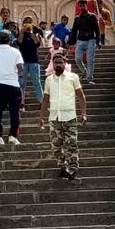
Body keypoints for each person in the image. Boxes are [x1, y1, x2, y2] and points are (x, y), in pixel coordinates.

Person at [39, 50, 87, 182]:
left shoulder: (73, 77)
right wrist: (41, 116)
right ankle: (63, 168)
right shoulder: (49, 80)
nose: (58, 65)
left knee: (72, 144)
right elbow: (45, 99)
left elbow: (81, 96)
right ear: (53, 64)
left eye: (60, 62)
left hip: (70, 116)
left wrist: (83, 113)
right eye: (56, 63)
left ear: (65, 63)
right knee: (56, 146)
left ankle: (74, 169)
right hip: (54, 118)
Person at [0, 30, 24, 145]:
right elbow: (20, 69)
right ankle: (12, 136)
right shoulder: (15, 52)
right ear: (10, 39)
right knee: (15, 112)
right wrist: (17, 74)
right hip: (13, 85)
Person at [71, 3, 100, 84]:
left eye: (83, 5)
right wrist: (71, 42)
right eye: (80, 6)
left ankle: (90, 79)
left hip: (91, 40)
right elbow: (74, 31)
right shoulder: (77, 18)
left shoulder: (92, 16)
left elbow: (97, 29)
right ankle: (85, 72)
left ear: (86, 6)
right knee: (77, 59)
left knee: (90, 60)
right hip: (80, 40)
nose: (82, 7)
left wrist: (99, 40)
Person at [18, 17, 44, 105]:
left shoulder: (34, 35)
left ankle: (41, 100)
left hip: (34, 61)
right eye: (26, 22)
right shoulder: (21, 34)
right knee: (21, 82)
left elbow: (37, 44)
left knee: (37, 81)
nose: (28, 24)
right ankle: (21, 100)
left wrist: (34, 34)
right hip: (23, 62)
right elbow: (20, 42)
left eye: (30, 22)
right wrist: (23, 30)